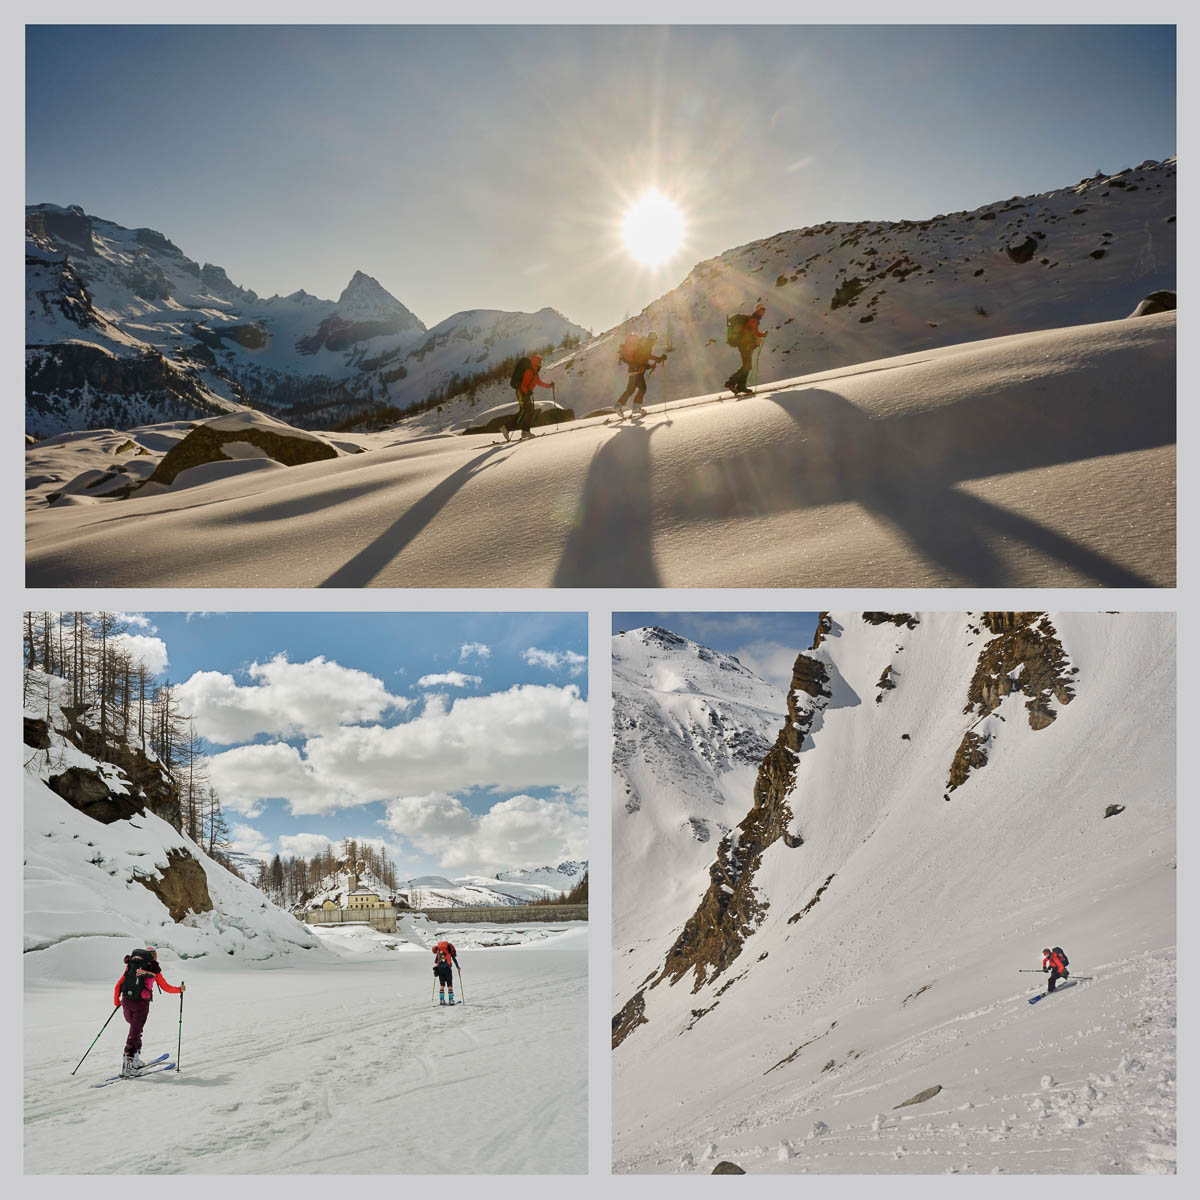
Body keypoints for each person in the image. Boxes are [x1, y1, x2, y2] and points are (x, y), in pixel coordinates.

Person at [113, 946, 184, 1076]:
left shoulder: (131, 966)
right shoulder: (153, 969)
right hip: (141, 1004)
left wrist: (117, 1001)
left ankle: (134, 1060)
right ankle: (128, 1066)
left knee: (135, 1031)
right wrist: (180, 989)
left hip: (126, 1001)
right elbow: (166, 987)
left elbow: (118, 984)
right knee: (134, 1033)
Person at [505, 353, 554, 441]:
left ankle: (523, 432)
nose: (541, 364)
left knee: (527, 411)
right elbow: (522, 384)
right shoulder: (529, 370)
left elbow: (539, 382)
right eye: (540, 362)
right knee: (527, 411)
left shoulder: (535, 372)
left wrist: (549, 385)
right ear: (536, 362)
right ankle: (511, 429)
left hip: (525, 394)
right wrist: (527, 391)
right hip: (521, 393)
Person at [616, 332, 667, 416]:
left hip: (633, 369)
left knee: (631, 390)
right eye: (655, 340)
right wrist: (659, 358)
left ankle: (618, 405)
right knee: (642, 388)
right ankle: (635, 407)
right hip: (637, 371)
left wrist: (651, 365)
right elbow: (647, 356)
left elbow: (642, 360)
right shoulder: (647, 345)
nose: (655, 342)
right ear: (653, 339)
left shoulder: (643, 345)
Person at [726, 303, 768, 396]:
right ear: (757, 310)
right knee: (747, 366)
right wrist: (760, 336)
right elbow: (750, 332)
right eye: (761, 311)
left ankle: (741, 386)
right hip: (746, 346)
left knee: (747, 366)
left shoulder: (753, 319)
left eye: (763, 312)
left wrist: (760, 335)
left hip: (745, 345)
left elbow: (753, 331)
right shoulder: (754, 320)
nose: (763, 314)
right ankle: (731, 382)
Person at [432, 939, 459, 1005]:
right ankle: (451, 1000)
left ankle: (442, 1000)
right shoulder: (449, 949)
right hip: (448, 969)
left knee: (442, 985)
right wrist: (458, 967)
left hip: (440, 969)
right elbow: (454, 958)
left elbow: (436, 961)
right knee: (449, 985)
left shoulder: (439, 950)